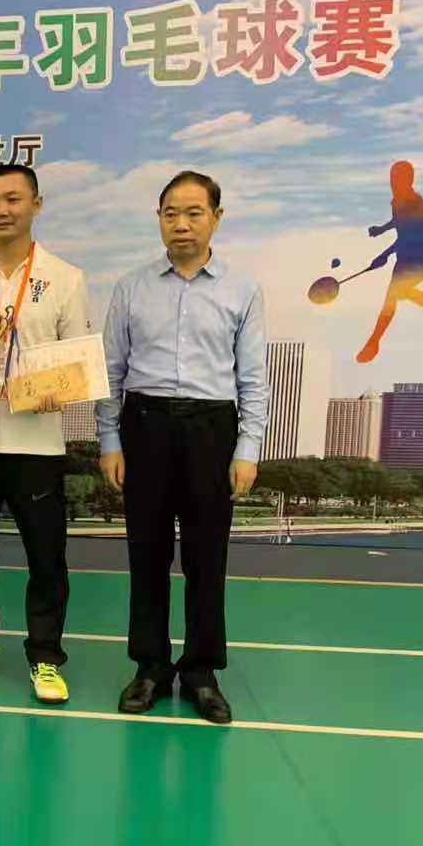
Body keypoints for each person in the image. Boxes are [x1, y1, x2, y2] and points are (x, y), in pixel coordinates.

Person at [96, 170, 268, 725]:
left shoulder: (242, 290)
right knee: (146, 554)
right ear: (159, 220)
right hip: (144, 425)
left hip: (211, 430)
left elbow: (253, 378)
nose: (182, 224)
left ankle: (201, 672)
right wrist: (109, 439)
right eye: (171, 213)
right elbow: (110, 371)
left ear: (217, 217)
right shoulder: (131, 287)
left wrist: (247, 447)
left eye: (194, 212)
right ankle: (150, 666)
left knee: (205, 557)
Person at [0, 164, 92, 703]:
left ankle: (45, 657)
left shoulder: (66, 278)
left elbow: (77, 366)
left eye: (12, 199)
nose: (0, 210)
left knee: (46, 558)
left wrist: (54, 387)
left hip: (36, 445)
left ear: (36, 205)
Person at [357, 159, 423, 363]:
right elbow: (399, 221)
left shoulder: (416, 204)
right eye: (392, 178)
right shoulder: (397, 202)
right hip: (406, 258)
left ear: (409, 180)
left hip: (422, 260)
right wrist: (382, 229)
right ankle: (374, 341)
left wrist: (384, 255)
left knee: (393, 296)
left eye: (397, 179)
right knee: (392, 297)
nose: (393, 183)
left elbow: (407, 237)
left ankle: (376, 338)